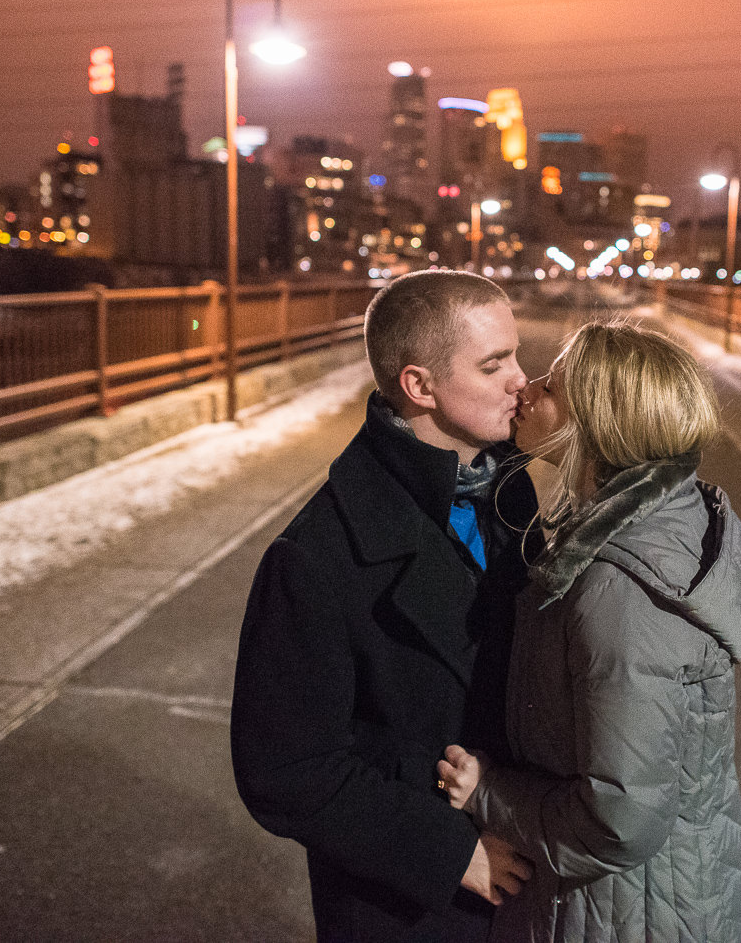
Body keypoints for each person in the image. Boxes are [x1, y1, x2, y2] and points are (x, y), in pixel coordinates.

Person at [231, 270, 539, 942]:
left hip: (526, 873)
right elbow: (284, 769)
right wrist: (450, 852)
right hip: (409, 905)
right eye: (495, 364)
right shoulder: (317, 553)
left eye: (515, 355)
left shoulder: (511, 495)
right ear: (420, 385)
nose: (523, 379)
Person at [437, 321, 741, 943]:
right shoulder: (674, 520)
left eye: (553, 386)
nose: (527, 389)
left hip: (621, 915)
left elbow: (621, 820)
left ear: (598, 423)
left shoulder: (620, 590)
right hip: (676, 895)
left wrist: (488, 793)